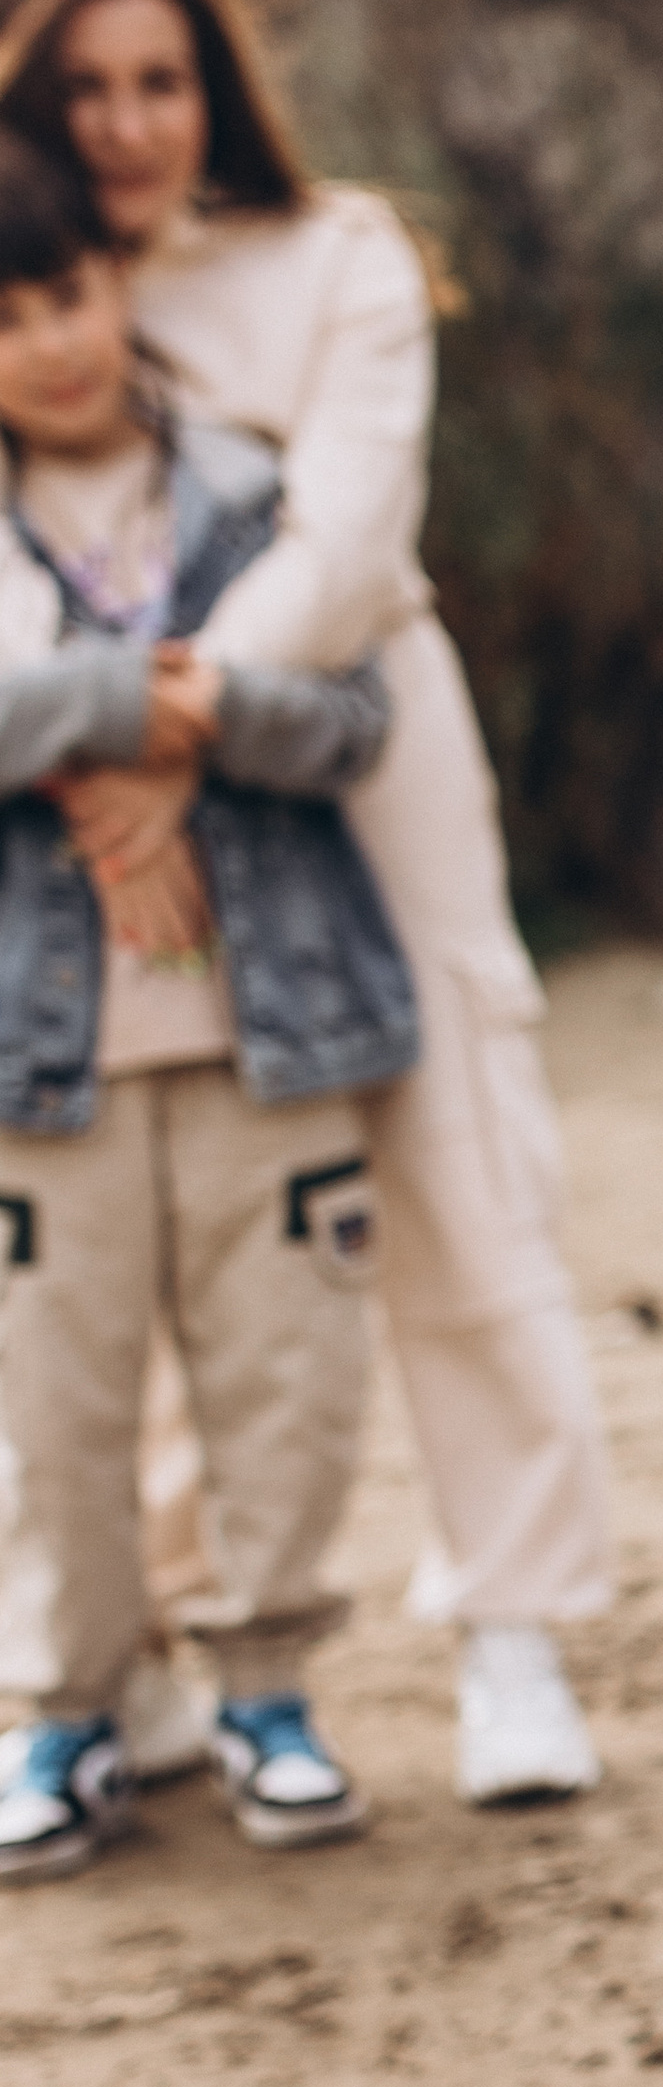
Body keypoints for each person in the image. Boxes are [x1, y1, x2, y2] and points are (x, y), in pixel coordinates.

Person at [0, 0, 612, 1806]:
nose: (123, 121)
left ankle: (512, 1625)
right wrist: (115, 747)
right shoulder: (46, 291)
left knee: (446, 1129)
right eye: (81, 85)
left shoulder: (337, 249)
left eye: (157, 77)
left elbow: (346, 538)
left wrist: (157, 720)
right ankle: (161, 1635)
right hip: (108, 780)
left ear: (211, 83)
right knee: (167, 1172)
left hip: (352, 720)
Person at [0, 131, 414, 1876]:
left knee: (282, 1382)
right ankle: (66, 1710)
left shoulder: (250, 495)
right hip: (43, 1069)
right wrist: (126, 707)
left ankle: (267, 1693)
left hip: (274, 1039)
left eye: (68, 291)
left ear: (120, 287)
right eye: (4, 314)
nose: (50, 339)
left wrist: (209, 719)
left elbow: (354, 716)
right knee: (55, 1408)